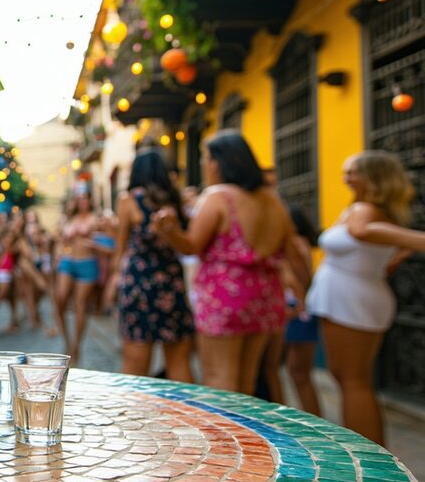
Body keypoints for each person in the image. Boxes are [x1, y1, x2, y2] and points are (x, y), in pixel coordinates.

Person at [154, 131, 302, 394]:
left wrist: (168, 230)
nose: (204, 164)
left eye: (205, 158)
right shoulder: (272, 200)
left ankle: (223, 438)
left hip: (226, 297)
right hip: (266, 295)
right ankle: (248, 436)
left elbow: (192, 245)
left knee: (219, 378)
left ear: (217, 163)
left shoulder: (218, 196)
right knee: (247, 382)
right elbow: (292, 251)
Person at [306, 151, 425, 445]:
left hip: (352, 300)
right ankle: (367, 450)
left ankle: (368, 455)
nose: (346, 177)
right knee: (350, 379)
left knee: (353, 381)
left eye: (353, 171)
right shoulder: (375, 209)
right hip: (355, 295)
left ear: (373, 176)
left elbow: (361, 232)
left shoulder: (364, 211)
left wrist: (412, 241)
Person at [114, 149, 195, 383]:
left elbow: (121, 247)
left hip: (139, 284)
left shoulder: (128, 200)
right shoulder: (175, 200)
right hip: (171, 284)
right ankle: (186, 417)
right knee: (179, 364)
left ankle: (132, 419)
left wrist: (113, 280)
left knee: (135, 367)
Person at [54, 185, 104, 364]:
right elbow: (60, 239)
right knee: (60, 299)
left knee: (80, 304)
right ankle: (67, 341)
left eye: (85, 197)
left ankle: (76, 346)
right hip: (68, 260)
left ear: (90, 199)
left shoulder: (96, 218)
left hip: (87, 262)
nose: (83, 200)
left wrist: (92, 238)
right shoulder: (70, 218)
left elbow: (107, 237)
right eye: (79, 197)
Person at [281, 204, 320, 416]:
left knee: (299, 371)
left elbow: (303, 279)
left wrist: (300, 302)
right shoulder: (300, 243)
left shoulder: (295, 244)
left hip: (298, 310)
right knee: (297, 371)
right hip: (300, 309)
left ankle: (313, 419)